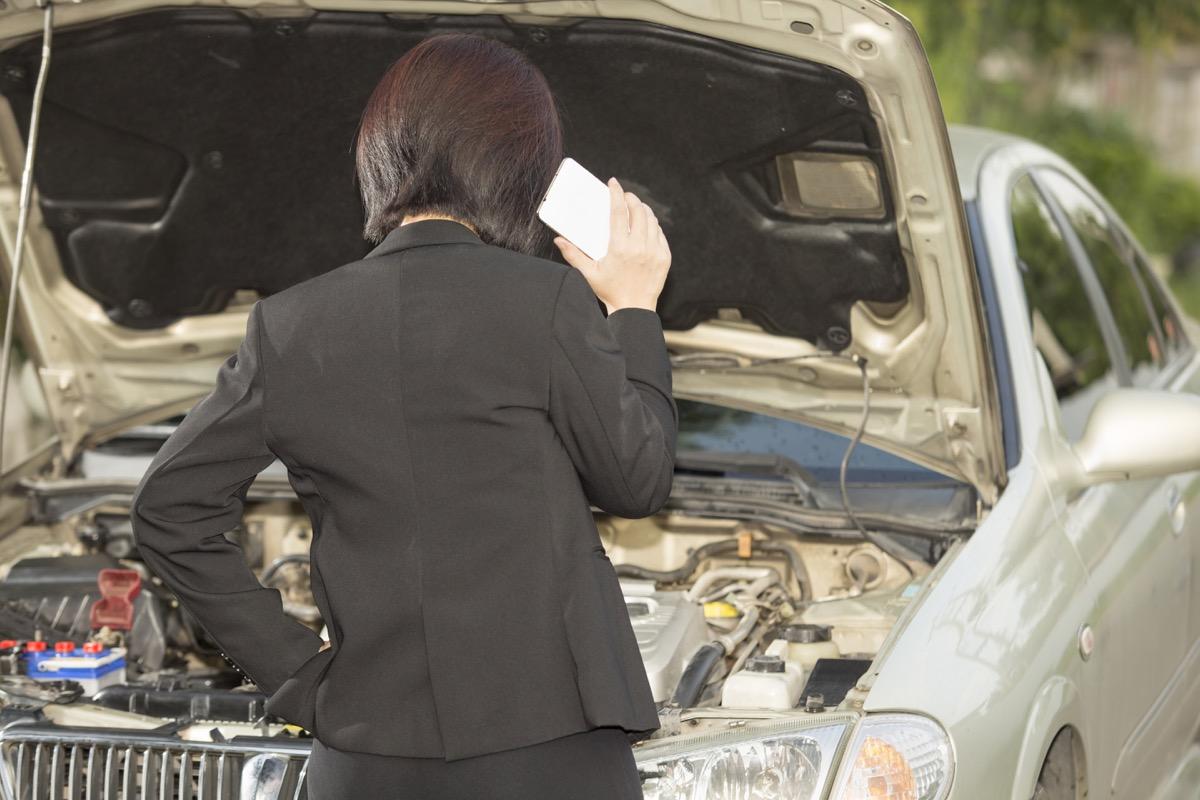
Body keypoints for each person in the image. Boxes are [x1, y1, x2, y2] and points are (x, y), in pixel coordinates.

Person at [128, 31, 676, 799]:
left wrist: (297, 675)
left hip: (362, 757)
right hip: (550, 747)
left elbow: (167, 509)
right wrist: (633, 307)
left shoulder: (288, 328)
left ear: (380, 156)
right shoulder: (542, 299)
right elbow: (637, 478)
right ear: (518, 165)